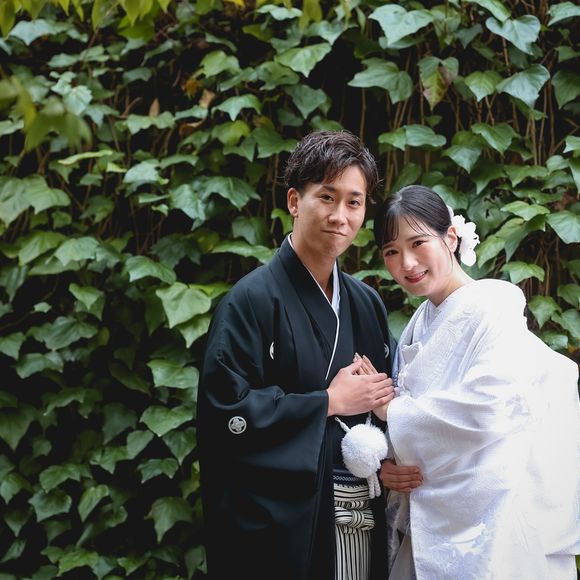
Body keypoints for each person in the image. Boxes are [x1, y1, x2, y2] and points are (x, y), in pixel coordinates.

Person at [197, 130, 398, 580]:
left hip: (360, 518)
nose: (340, 216)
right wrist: (328, 402)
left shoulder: (366, 304)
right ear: (294, 200)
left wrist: (393, 459)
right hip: (282, 531)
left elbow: (388, 405)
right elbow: (226, 415)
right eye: (326, 197)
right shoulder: (250, 301)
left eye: (354, 202)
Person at [365, 184, 580, 579]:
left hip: (489, 517)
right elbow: (414, 422)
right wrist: (392, 465)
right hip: (432, 513)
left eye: (418, 243)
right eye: (391, 251)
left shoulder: (494, 306)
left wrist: (393, 411)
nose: (407, 263)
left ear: (450, 237)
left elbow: (488, 409)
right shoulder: (419, 323)